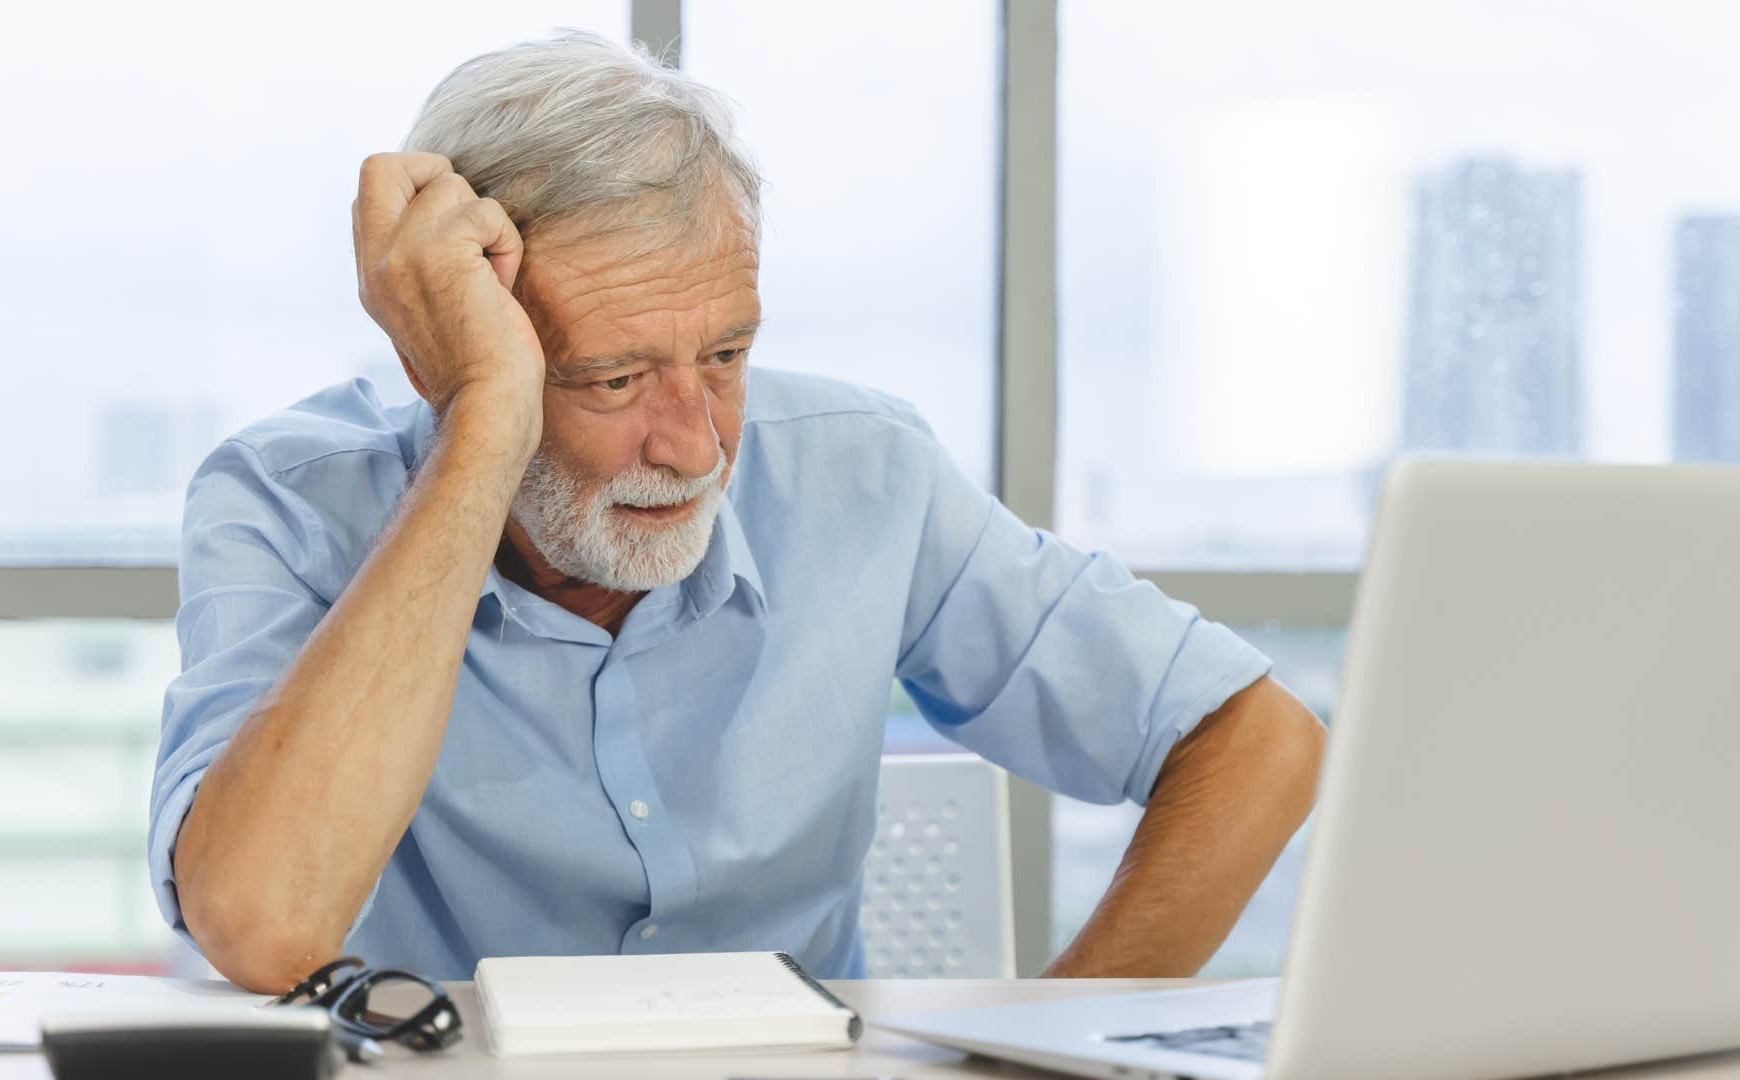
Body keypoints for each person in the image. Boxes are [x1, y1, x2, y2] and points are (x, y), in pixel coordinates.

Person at [148, 30, 1325, 994]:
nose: (696, 442)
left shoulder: (863, 473)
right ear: (449, 344)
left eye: (725, 352)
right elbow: (259, 923)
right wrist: (482, 424)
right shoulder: (284, 503)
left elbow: (1255, 741)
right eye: (611, 379)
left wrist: (1057, 1056)